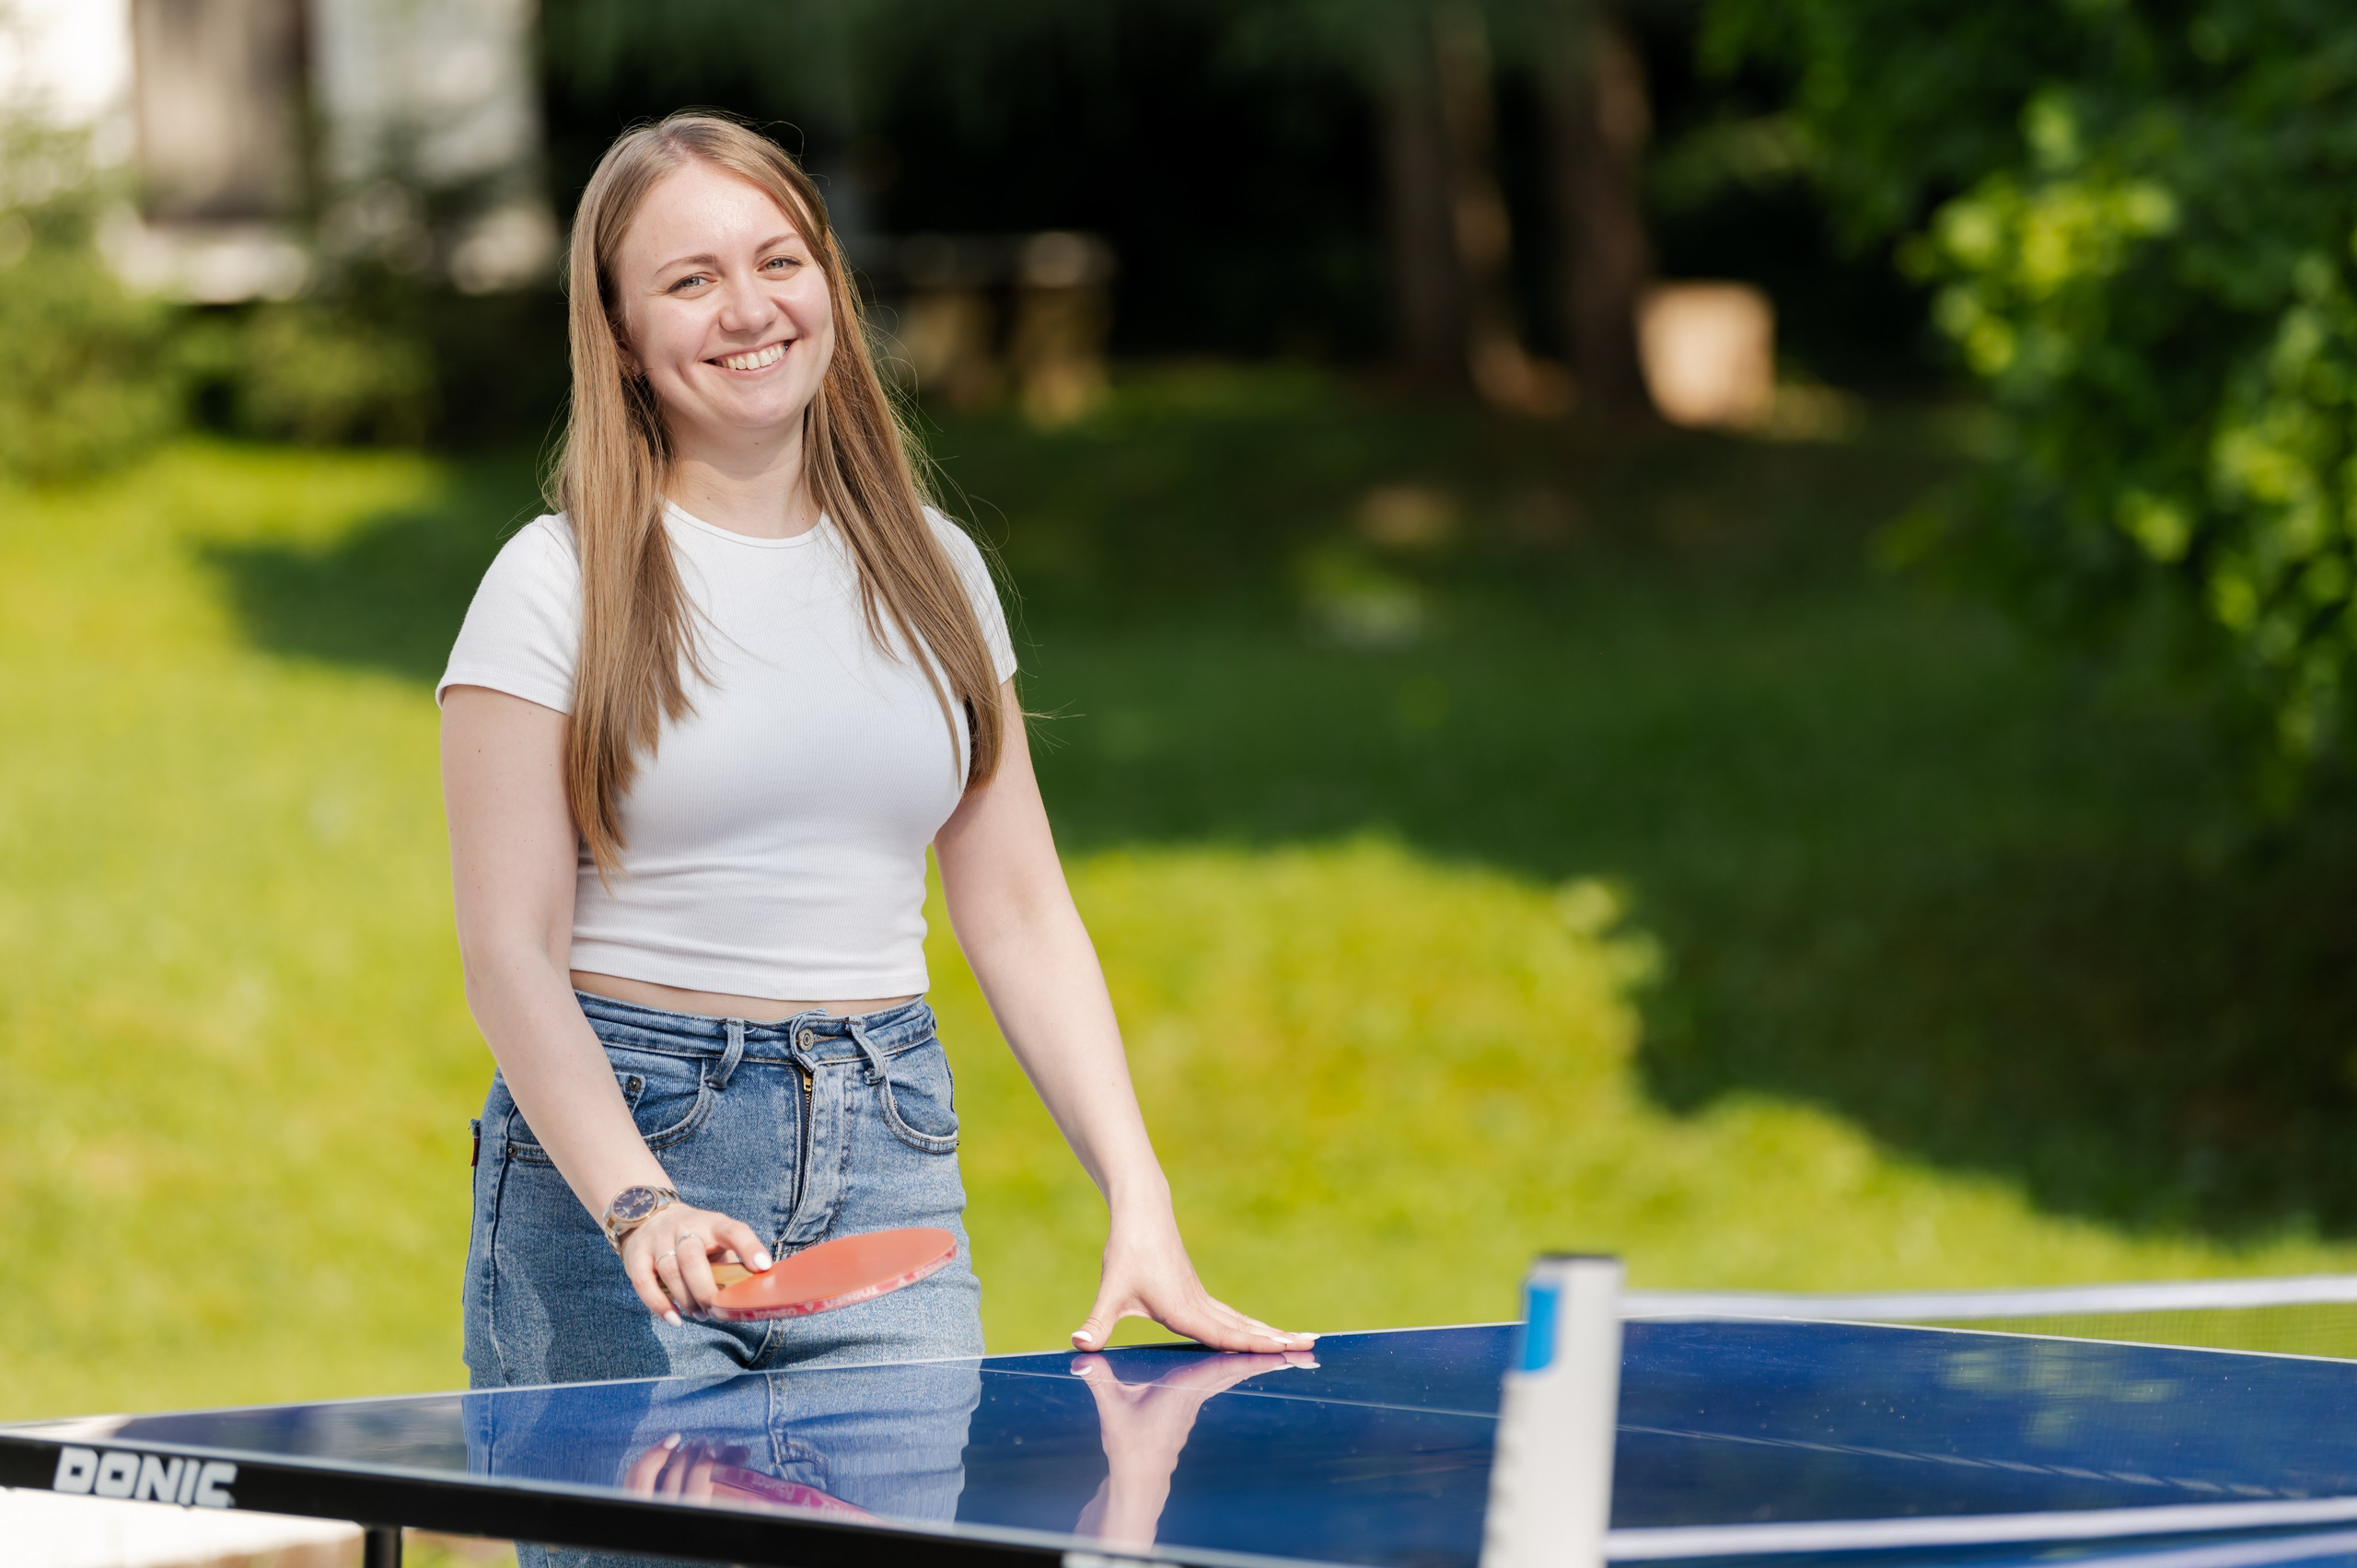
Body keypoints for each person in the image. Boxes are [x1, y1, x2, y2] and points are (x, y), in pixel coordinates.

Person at [438, 109, 1308, 1416]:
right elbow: (507, 953)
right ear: (618, 331)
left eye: (778, 261)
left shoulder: (935, 567)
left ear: (829, 285)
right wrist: (639, 1203)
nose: (749, 310)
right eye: (690, 280)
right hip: (620, 1161)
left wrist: (1140, 1194)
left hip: (887, 1149)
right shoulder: (550, 583)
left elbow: (1020, 911)